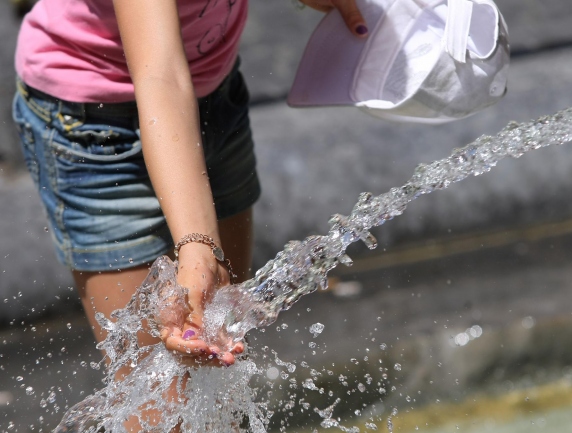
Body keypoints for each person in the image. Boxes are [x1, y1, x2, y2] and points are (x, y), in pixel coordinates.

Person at [13, 0, 367, 412]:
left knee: (218, 379)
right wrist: (198, 245)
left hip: (213, 94)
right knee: (161, 408)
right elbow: (159, 75)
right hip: (95, 127)